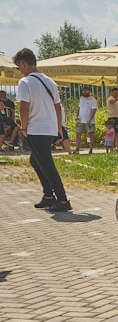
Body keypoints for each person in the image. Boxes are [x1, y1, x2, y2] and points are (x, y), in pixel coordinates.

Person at [12, 47, 71, 211]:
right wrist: (59, 128)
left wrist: (23, 128)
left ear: (23, 63)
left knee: (46, 164)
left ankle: (63, 200)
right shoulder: (49, 81)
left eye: (18, 67)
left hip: (36, 128)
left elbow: (24, 107)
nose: (19, 71)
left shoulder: (25, 82)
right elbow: (58, 107)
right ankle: (48, 195)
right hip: (49, 127)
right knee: (36, 160)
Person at [74, 87, 98, 154]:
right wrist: (77, 116)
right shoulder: (81, 98)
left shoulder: (93, 100)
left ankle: (90, 149)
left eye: (86, 91)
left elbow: (94, 109)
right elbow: (79, 107)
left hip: (89, 121)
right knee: (78, 134)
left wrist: (90, 119)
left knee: (91, 134)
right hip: (81, 120)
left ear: (89, 91)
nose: (85, 92)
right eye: (83, 91)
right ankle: (77, 149)